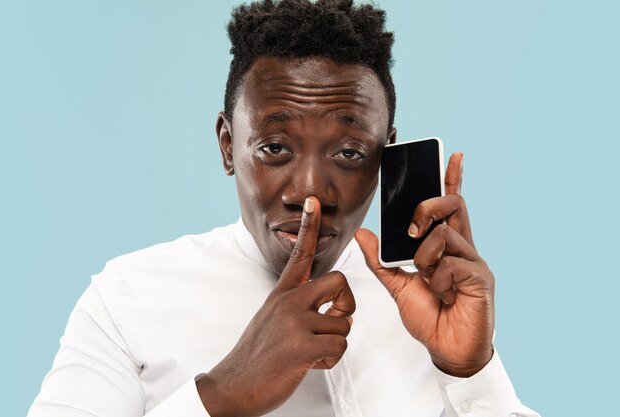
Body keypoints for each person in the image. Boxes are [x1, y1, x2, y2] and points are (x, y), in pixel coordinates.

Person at [28, 1, 540, 416]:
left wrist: (471, 373)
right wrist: (222, 395)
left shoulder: (432, 302)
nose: (312, 192)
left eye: (350, 152)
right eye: (274, 148)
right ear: (229, 146)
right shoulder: (126, 301)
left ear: (387, 156)